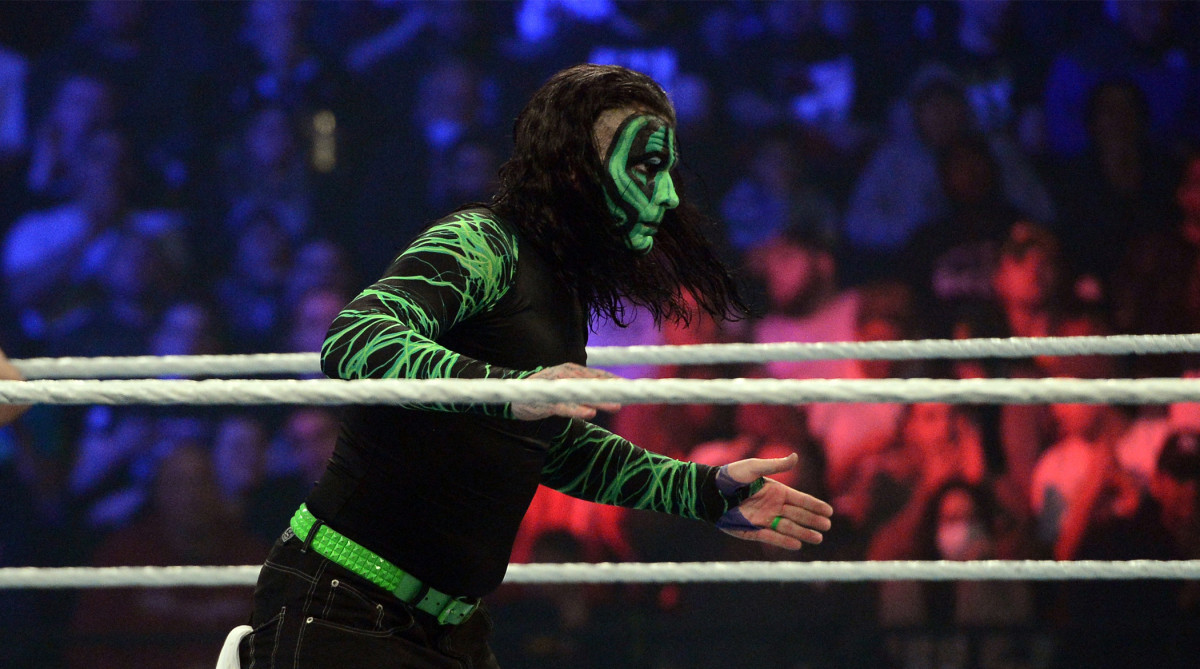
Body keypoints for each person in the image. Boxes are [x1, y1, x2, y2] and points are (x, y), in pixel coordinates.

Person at [239, 64, 834, 668]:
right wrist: (507, 389)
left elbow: (553, 447)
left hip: (449, 624)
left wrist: (703, 492)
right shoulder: (482, 241)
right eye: (645, 168)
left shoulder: (562, 290)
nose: (669, 195)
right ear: (573, 170)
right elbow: (354, 338)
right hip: (344, 603)